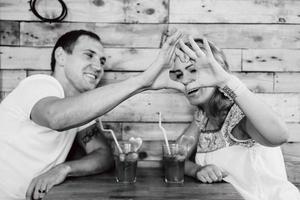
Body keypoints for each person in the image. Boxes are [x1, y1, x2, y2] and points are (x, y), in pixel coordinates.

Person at [0, 29, 183, 200]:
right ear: (61, 56)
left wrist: (64, 168)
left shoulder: (79, 106)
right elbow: (56, 118)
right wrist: (142, 81)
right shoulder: (39, 84)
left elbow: (103, 154)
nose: (98, 67)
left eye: (102, 61)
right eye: (89, 55)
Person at [171, 36, 300, 199]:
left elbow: (279, 136)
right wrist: (197, 170)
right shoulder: (202, 117)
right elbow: (173, 158)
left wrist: (226, 81)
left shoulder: (239, 114)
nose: (185, 80)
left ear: (217, 70)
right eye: (179, 74)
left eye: (193, 70)